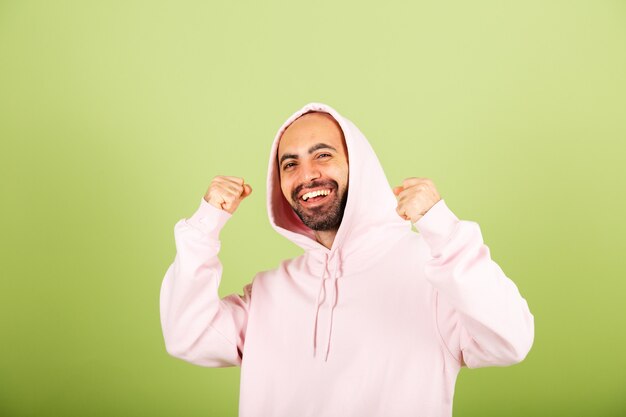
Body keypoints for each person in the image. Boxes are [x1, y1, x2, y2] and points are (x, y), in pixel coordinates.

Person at [159, 102, 534, 417]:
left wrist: (443, 228)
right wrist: (205, 224)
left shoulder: (433, 271)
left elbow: (510, 340)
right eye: (290, 164)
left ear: (361, 166)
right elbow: (187, 336)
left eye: (323, 155)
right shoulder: (270, 291)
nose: (307, 175)